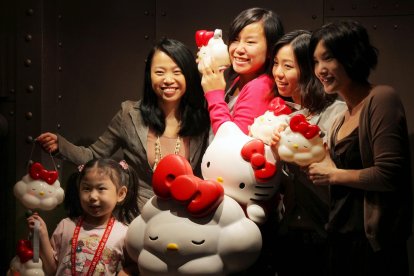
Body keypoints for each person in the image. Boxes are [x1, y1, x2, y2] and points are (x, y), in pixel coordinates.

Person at [36, 38, 211, 211]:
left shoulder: (204, 117)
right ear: (149, 75)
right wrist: (61, 146)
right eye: (159, 72)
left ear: (188, 75)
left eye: (177, 71)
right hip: (136, 218)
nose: (168, 79)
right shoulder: (129, 114)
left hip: (185, 218)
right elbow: (93, 155)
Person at [307, 20, 412, 275]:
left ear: (351, 56)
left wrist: (333, 174)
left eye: (328, 58)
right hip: (339, 237)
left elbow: (389, 175)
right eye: (316, 62)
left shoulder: (381, 98)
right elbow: (335, 177)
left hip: (372, 246)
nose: (320, 70)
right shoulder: (341, 117)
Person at [269, 30, 346, 276]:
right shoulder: (288, 118)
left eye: (288, 66)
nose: (278, 73)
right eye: (275, 64)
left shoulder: (338, 113)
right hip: (290, 230)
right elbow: (284, 184)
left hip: (328, 233)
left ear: (308, 68)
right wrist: (275, 156)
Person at [26, 158, 140, 275]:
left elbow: (135, 266)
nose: (93, 196)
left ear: (120, 194)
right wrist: (42, 235)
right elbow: (52, 270)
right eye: (86, 188)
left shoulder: (124, 234)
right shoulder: (66, 226)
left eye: (101, 188)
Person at [200, 7, 285, 136]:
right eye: (235, 40)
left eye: (250, 42)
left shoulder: (261, 87)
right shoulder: (240, 80)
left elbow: (233, 142)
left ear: (270, 50)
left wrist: (214, 94)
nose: (239, 49)